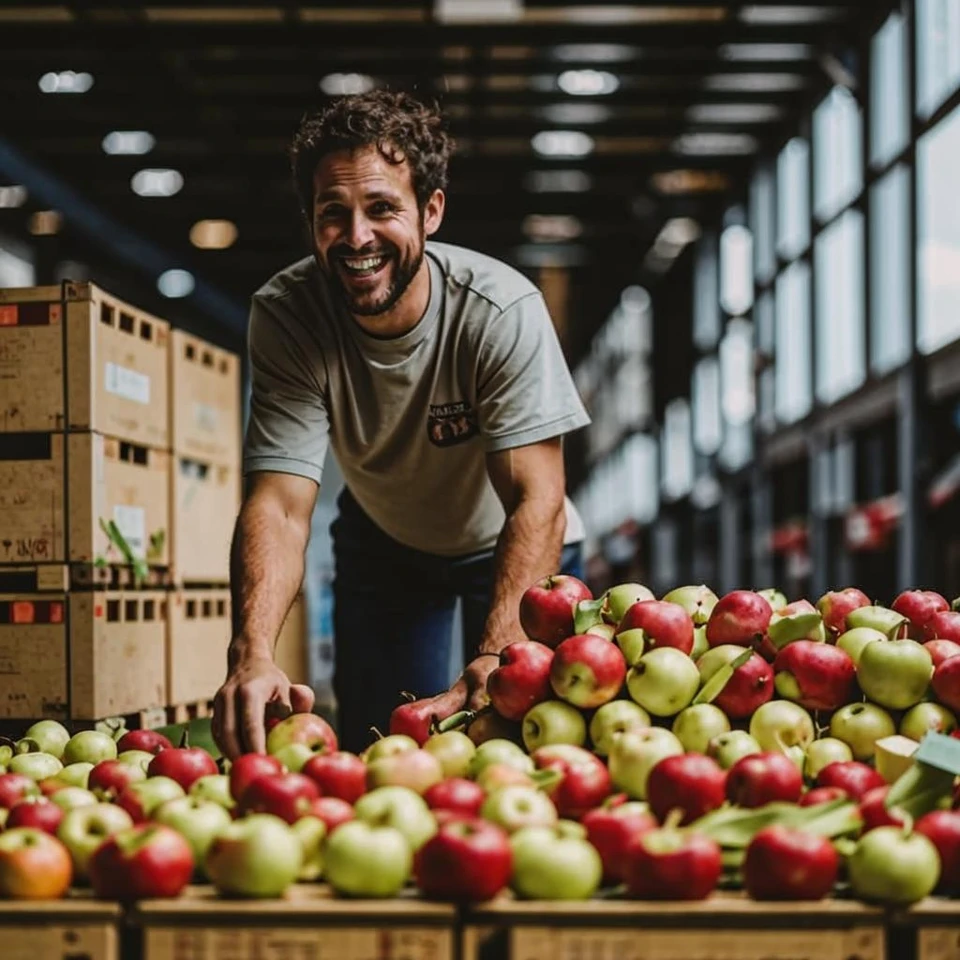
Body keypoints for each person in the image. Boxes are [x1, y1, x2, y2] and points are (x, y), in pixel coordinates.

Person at [212, 89, 590, 758]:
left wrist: (501, 650)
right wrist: (252, 653)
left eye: (382, 208)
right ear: (312, 222)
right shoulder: (288, 314)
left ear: (431, 211)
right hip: (386, 541)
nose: (356, 237)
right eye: (334, 213)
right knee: (378, 746)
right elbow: (279, 505)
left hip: (513, 540)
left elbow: (537, 498)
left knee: (515, 745)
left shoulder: (499, 311)